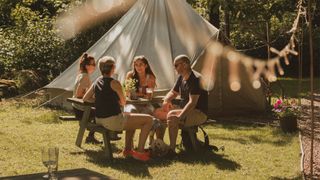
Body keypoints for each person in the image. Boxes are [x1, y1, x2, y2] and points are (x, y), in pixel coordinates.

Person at [83, 56, 153, 161]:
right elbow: (123, 102)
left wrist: (99, 101)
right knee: (149, 119)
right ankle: (140, 152)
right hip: (113, 120)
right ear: (113, 68)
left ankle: (128, 150)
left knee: (131, 115)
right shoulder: (115, 83)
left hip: (99, 119)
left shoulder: (97, 81)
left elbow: (85, 98)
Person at [154, 55, 208, 157]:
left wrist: (180, 115)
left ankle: (172, 150)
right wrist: (166, 100)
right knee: (157, 112)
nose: (174, 68)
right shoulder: (181, 77)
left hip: (199, 113)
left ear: (185, 65)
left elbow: (192, 103)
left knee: (172, 116)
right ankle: (158, 146)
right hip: (185, 109)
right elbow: (173, 92)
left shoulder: (196, 79)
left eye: (176, 65)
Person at [72, 53, 101, 144]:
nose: (95, 66)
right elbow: (79, 94)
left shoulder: (81, 74)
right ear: (87, 65)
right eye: (93, 64)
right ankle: (92, 135)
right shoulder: (85, 76)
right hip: (81, 109)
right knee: (102, 112)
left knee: (99, 110)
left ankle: (91, 136)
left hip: (77, 107)